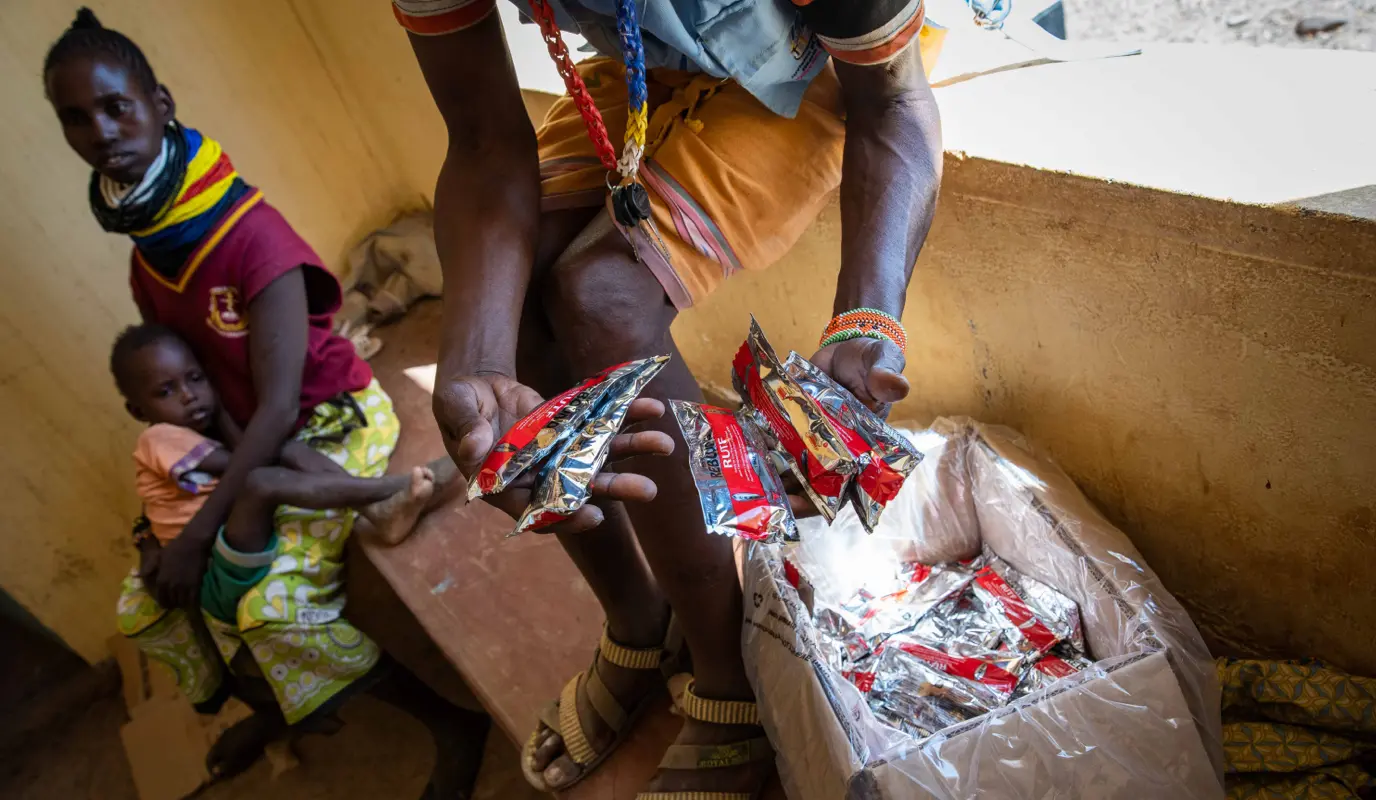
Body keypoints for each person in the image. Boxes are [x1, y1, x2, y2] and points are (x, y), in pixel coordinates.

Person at [45, 9, 668, 795]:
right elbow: (202, 390)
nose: (98, 132)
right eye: (75, 118)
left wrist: (203, 523)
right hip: (250, 433)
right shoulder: (153, 251)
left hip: (319, 417)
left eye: (116, 107)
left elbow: (277, 410)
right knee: (152, 604)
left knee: (268, 604)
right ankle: (275, 704)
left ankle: (449, 722)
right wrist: (180, 504)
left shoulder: (243, 236)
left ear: (161, 104)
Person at [394, 0, 945, 794]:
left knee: (602, 295)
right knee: (509, 309)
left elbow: (891, 101)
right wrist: (478, 361)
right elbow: (482, 136)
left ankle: (730, 671)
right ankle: (637, 621)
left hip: (817, 63)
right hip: (649, 53)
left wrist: (867, 320)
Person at [112, 322, 445, 629]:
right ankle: (391, 489)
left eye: (196, 378)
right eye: (166, 391)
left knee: (280, 458)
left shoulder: (193, 433)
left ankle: (382, 503)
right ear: (138, 412)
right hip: (208, 574)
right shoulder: (158, 438)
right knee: (263, 481)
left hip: (227, 548)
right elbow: (243, 463)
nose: (188, 395)